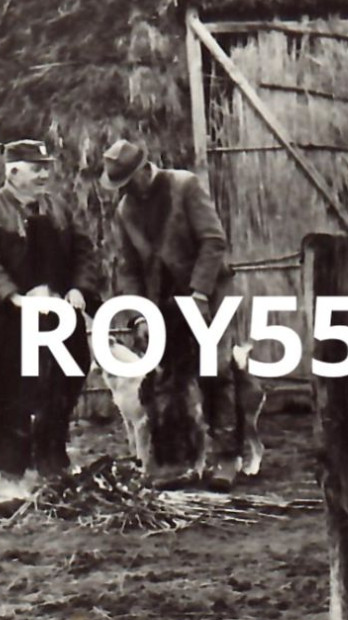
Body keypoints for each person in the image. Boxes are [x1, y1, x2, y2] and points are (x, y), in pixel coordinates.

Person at [100, 138, 242, 491]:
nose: (128, 190)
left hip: (207, 292)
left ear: (146, 170)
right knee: (165, 381)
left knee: (215, 372)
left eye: (131, 181)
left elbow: (214, 242)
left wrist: (198, 293)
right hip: (162, 302)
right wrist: (142, 314)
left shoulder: (185, 186)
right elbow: (128, 268)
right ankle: (176, 462)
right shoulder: (125, 212)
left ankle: (226, 459)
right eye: (122, 186)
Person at [0, 139, 100, 489]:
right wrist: (15, 297)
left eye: (46, 167)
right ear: (13, 172)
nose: (44, 174)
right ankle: (10, 469)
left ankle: (52, 461)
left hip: (59, 312)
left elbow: (84, 253)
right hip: (13, 316)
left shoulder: (58, 208)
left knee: (65, 383)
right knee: (8, 389)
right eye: (36, 168)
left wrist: (77, 289)